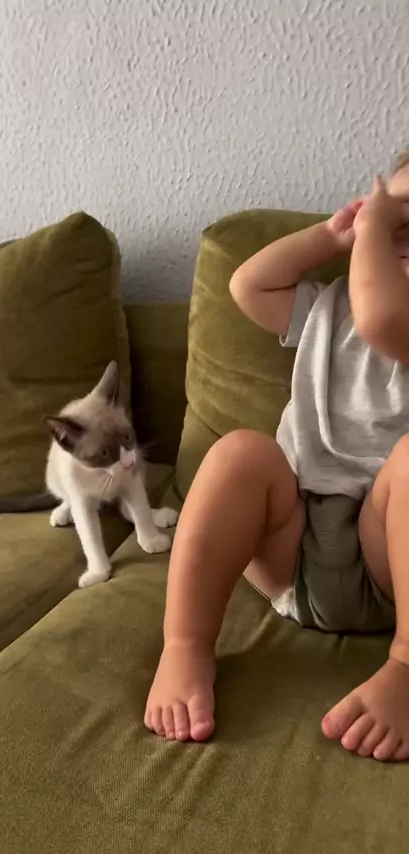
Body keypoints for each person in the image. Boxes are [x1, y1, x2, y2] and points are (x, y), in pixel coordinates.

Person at [144, 151, 409, 762]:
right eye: (395, 217)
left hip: (389, 553)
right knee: (239, 453)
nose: (395, 234)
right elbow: (247, 285)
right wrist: (330, 237)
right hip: (291, 547)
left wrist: (374, 229)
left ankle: (405, 665)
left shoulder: (389, 312)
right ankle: (185, 645)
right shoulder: (330, 305)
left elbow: (384, 315)